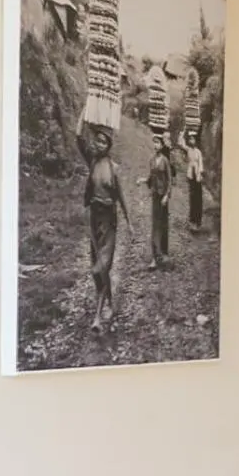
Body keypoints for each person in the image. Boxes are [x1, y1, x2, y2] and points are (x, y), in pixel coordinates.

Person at [78, 126, 132, 330]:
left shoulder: (113, 168)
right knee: (98, 267)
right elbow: (78, 139)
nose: (99, 144)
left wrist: (129, 221)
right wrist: (84, 116)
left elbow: (121, 196)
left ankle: (97, 318)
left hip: (109, 219)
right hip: (95, 217)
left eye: (103, 142)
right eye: (97, 141)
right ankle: (108, 302)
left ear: (108, 146)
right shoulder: (92, 163)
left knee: (100, 267)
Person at [142, 133, 173, 269]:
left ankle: (164, 254)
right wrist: (143, 180)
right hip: (155, 195)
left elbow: (170, 180)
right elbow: (151, 178)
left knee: (164, 225)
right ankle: (155, 257)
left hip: (163, 197)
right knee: (155, 225)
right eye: (154, 142)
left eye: (158, 143)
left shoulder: (165, 161)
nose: (155, 145)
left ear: (162, 145)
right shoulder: (151, 160)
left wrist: (167, 195)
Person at [185, 132, 205, 232]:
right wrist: (183, 131)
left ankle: (197, 222)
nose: (191, 141)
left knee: (198, 199)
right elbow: (181, 144)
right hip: (191, 176)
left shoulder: (198, 152)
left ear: (196, 141)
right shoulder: (188, 150)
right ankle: (192, 221)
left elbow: (201, 164)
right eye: (190, 139)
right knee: (192, 198)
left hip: (197, 176)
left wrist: (200, 174)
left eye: (193, 139)